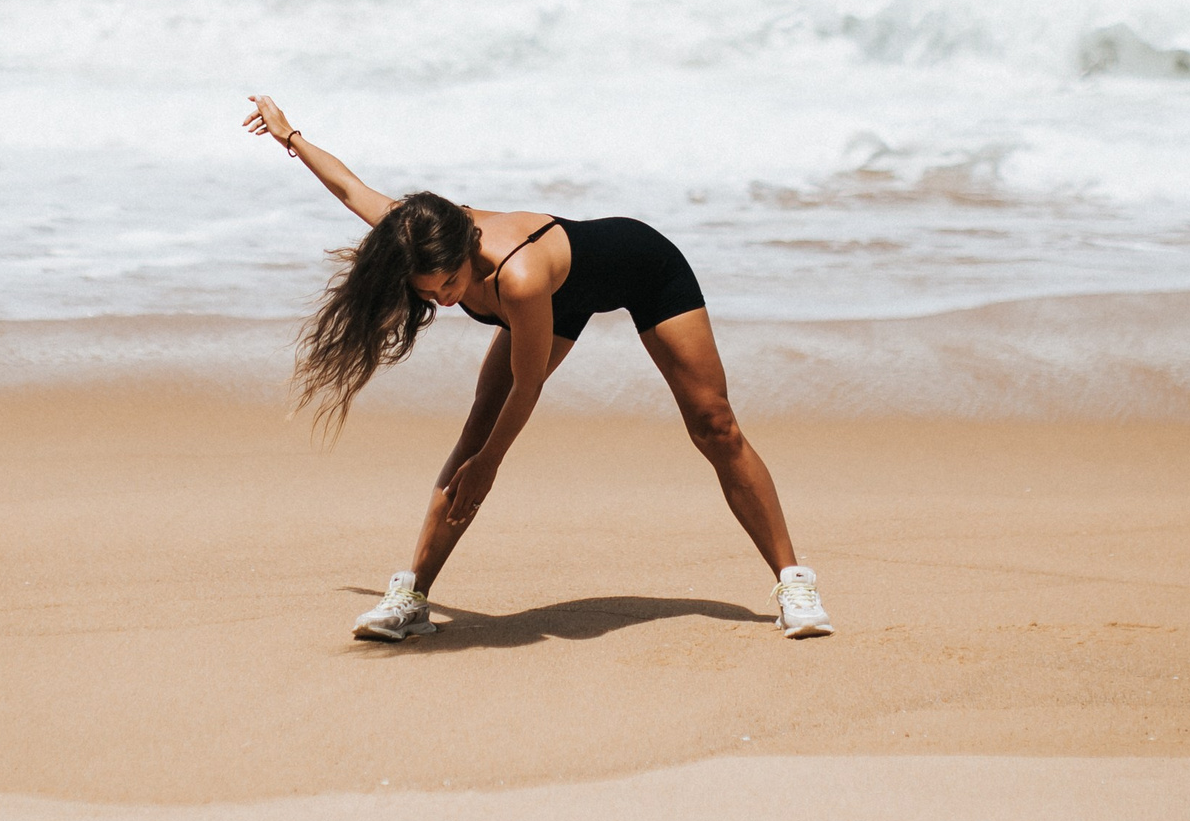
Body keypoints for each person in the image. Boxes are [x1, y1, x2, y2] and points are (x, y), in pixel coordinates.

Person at [242, 95, 832, 642]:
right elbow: (349, 188)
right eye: (430, 290)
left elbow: (529, 386)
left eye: (451, 283)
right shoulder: (416, 233)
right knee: (475, 430)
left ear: (468, 249)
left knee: (714, 422)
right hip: (560, 291)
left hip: (643, 266)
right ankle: (412, 597)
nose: (445, 299)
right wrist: (288, 134)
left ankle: (794, 582)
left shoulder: (516, 278)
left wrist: (490, 466)